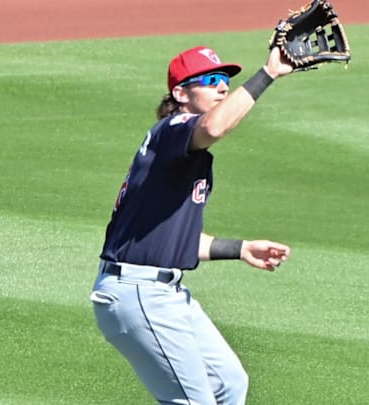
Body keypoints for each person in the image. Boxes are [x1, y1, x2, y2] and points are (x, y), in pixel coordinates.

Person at [91, 44, 294, 404]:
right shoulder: (174, 129)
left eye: (225, 81)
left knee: (229, 383)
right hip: (138, 292)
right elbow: (215, 126)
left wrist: (241, 249)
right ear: (180, 93)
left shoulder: (181, 155)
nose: (222, 88)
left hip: (162, 291)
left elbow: (171, 240)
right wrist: (269, 73)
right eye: (212, 80)